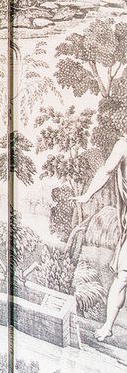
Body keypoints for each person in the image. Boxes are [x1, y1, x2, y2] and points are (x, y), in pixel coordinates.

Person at [78, 131, 127, 341]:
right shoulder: (123, 145)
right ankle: (108, 326)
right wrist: (88, 194)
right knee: (123, 276)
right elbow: (106, 171)